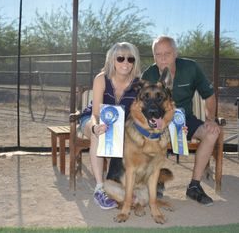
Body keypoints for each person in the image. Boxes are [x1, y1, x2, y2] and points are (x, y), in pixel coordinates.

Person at [141, 35, 220, 206]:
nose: (162, 59)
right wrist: (154, 121)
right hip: (158, 119)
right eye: (158, 54)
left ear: (175, 53)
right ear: (154, 56)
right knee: (148, 135)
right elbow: (142, 104)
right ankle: (157, 180)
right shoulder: (149, 73)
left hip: (185, 118)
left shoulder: (191, 67)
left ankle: (194, 186)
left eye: (167, 54)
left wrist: (211, 119)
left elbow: (209, 95)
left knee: (212, 134)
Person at [79, 42, 141, 209]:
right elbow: (95, 114)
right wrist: (95, 127)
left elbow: (138, 115)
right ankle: (100, 189)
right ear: (112, 60)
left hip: (122, 126)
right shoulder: (101, 78)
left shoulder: (138, 84)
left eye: (130, 59)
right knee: (97, 136)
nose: (125, 63)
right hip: (92, 119)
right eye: (120, 58)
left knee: (132, 142)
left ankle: (122, 188)